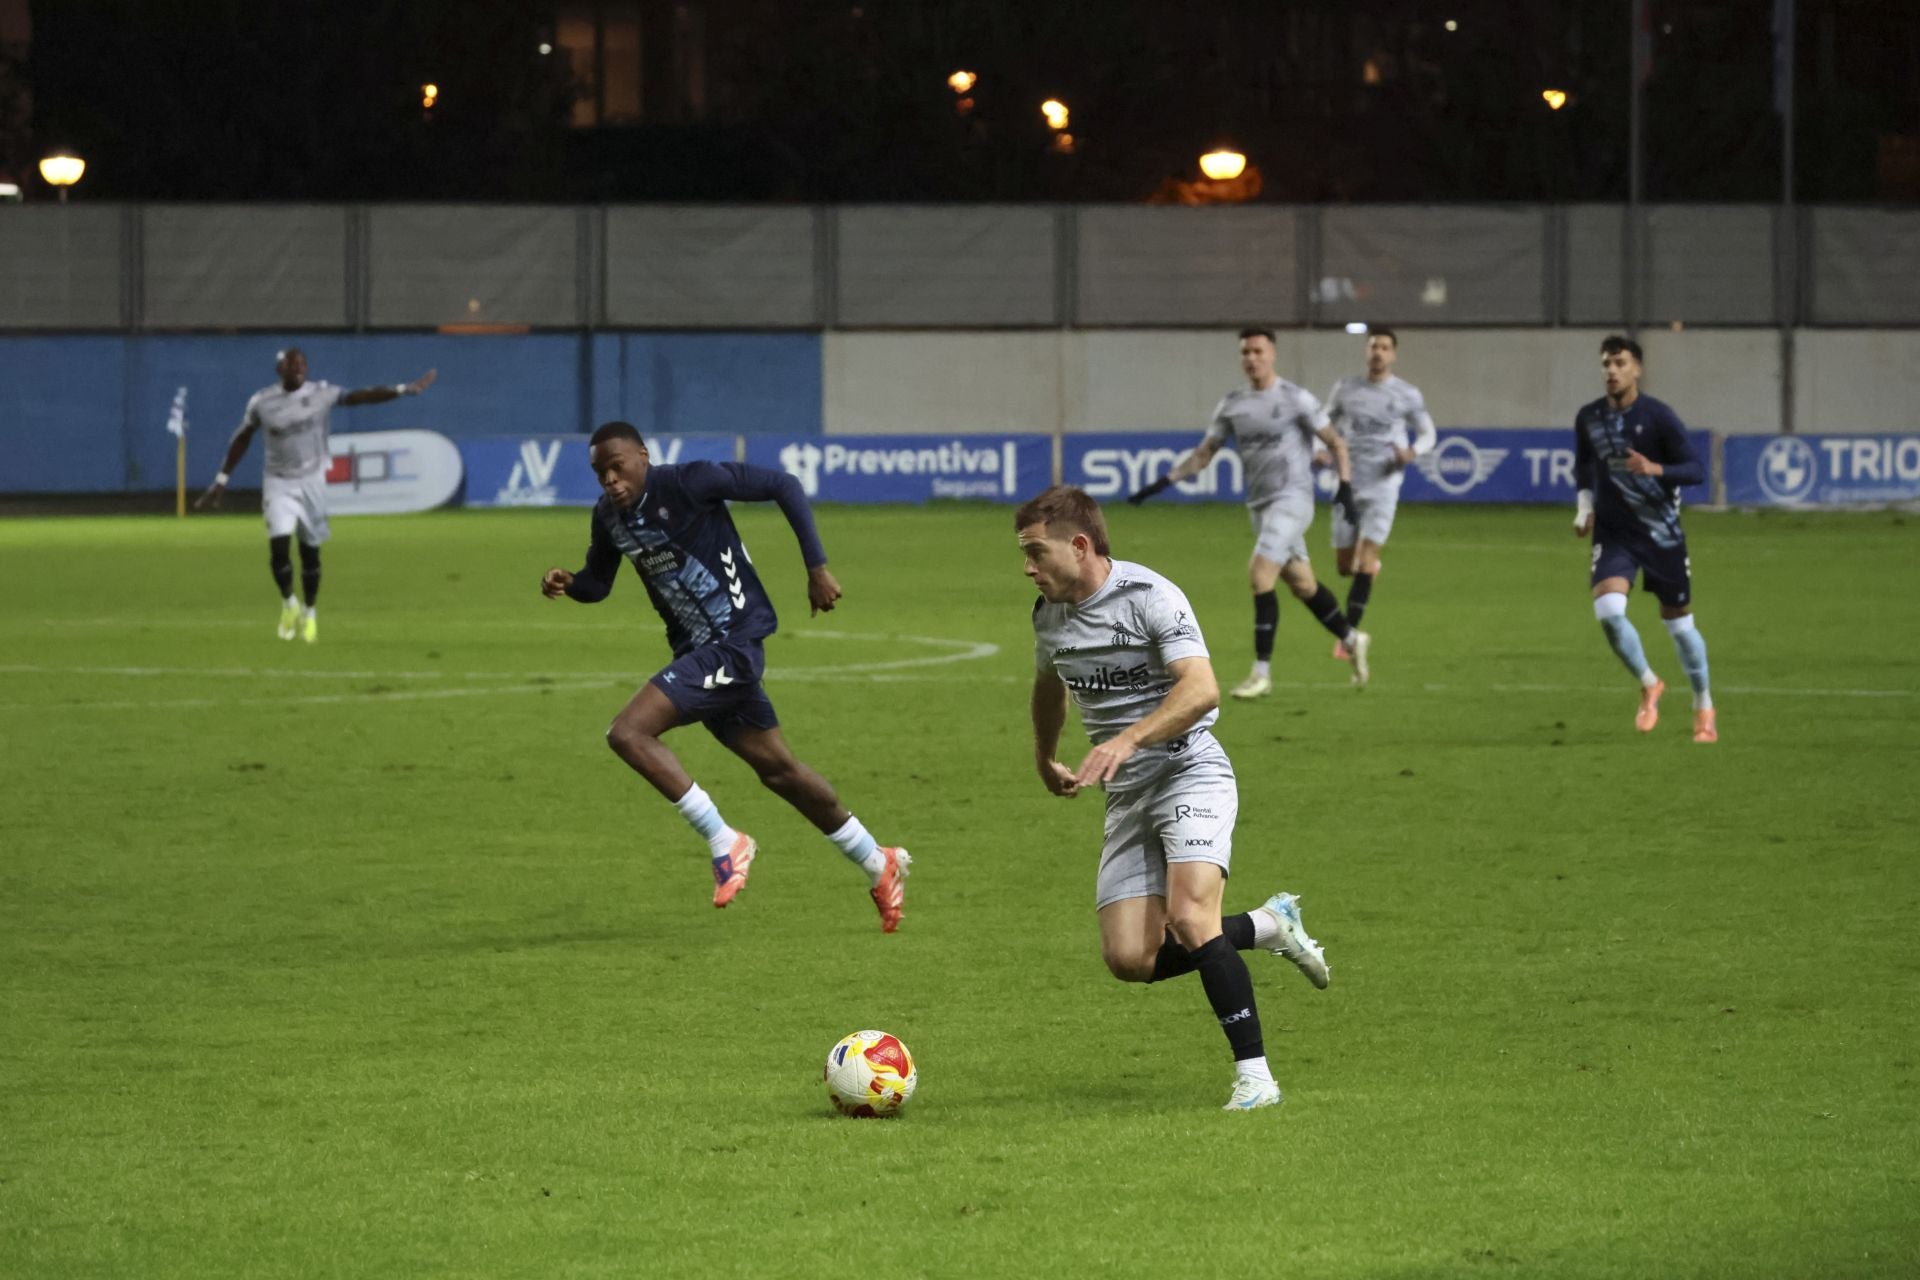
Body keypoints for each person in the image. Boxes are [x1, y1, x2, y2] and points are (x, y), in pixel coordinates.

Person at [1020, 485, 1330, 1112]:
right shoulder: (1048, 616)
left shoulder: (1149, 596)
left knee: (1190, 918)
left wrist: (1126, 740)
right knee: (1131, 958)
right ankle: (1268, 926)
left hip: (1191, 770)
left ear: (1079, 546)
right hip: (1127, 796)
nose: (1028, 567)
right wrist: (1043, 756)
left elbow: (1203, 689)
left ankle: (1256, 1078)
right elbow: (1047, 685)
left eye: (1036, 552)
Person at [540, 421, 910, 929]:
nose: (610, 479)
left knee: (627, 732)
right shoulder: (610, 519)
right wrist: (570, 583)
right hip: (698, 651)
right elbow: (599, 583)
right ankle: (877, 860)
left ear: (642, 456)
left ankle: (725, 839)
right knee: (780, 772)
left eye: (617, 466)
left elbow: (784, 485)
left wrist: (816, 567)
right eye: (600, 472)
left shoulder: (691, 482)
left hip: (732, 645)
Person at [1128, 327, 1371, 694]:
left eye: (1258, 351)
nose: (1251, 358)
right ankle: (1352, 638)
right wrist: (1163, 483)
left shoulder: (1295, 398)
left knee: (1260, 574)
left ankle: (1261, 673)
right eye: (1246, 352)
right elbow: (1203, 455)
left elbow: (1335, 442)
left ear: (1272, 354)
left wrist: (1346, 487)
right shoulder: (1233, 405)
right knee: (1302, 584)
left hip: (1293, 500)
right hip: (1260, 507)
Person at [194, 347, 437, 643]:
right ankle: (288, 603)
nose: (298, 369)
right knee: (279, 549)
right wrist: (222, 478)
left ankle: (309, 611)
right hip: (278, 482)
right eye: (291, 365)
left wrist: (403, 390)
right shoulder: (262, 402)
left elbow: (360, 396)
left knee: (310, 553)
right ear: (279, 370)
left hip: (312, 482)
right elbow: (243, 436)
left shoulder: (321, 393)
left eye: (302, 364)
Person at [1573, 336, 1716, 743]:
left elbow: (1695, 471)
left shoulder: (1658, 417)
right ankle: (1649, 683)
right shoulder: (1589, 417)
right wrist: (1584, 508)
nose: (1611, 371)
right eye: (1606, 364)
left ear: (1636, 369)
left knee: (1680, 624)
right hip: (1615, 533)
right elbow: (1584, 467)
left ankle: (1703, 704)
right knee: (1609, 612)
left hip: (1661, 534)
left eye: (1619, 363)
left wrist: (1654, 467)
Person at [1318, 326, 1435, 660]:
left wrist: (1412, 452)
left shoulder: (1406, 394)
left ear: (1393, 354)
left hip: (1385, 485)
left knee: (1365, 562)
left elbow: (1428, 432)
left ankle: (1348, 638)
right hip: (1347, 482)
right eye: (1373, 346)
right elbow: (1323, 420)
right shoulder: (1346, 389)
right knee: (1344, 567)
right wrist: (1318, 446)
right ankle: (1368, 569)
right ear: (1366, 351)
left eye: (1384, 347)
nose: (1378, 352)